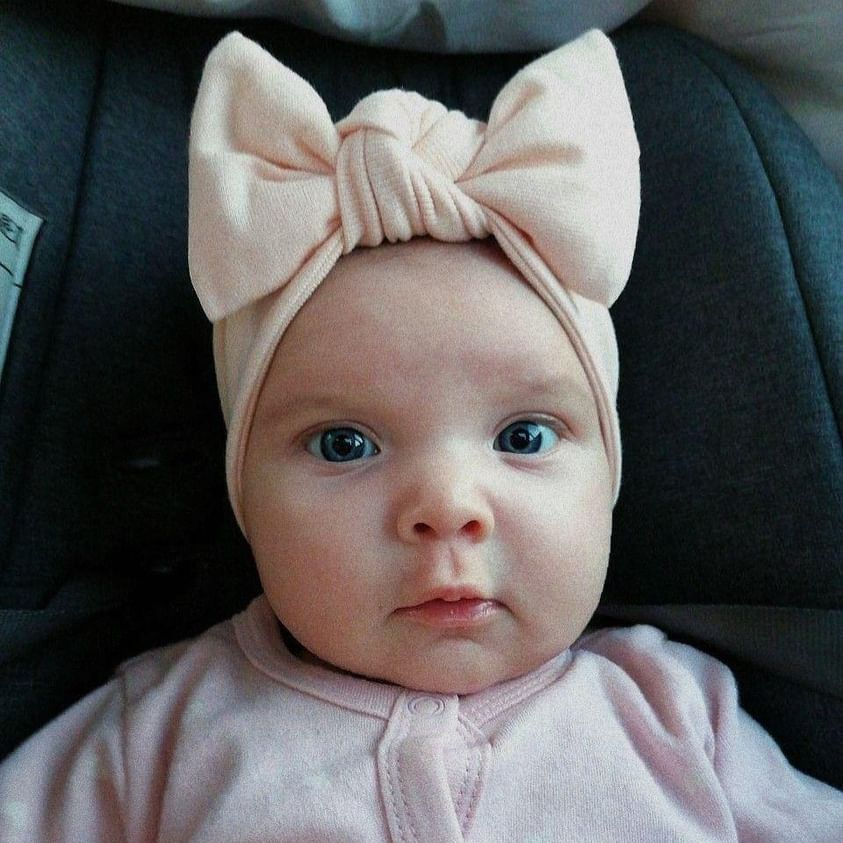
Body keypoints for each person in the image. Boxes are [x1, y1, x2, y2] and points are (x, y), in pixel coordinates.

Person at [0, 28, 840, 842]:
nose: (447, 507)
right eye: (344, 444)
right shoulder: (155, 738)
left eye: (524, 436)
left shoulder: (680, 718)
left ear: (610, 480)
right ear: (242, 492)